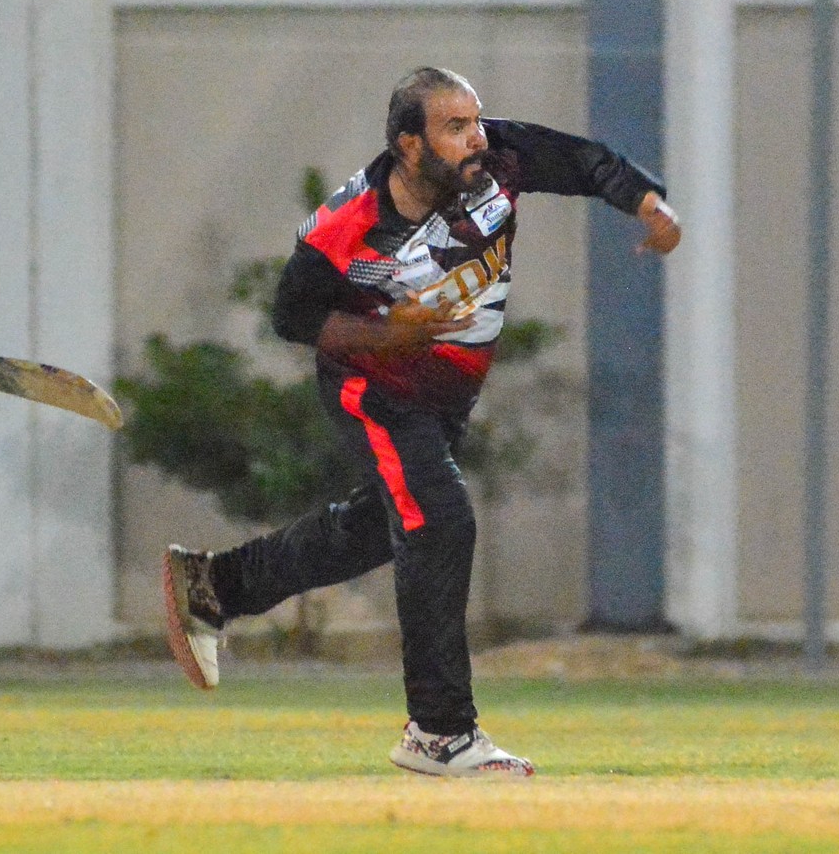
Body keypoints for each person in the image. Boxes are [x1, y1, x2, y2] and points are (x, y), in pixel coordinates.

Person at [163, 66, 681, 778]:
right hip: (375, 391)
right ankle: (440, 732)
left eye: (476, 120)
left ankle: (216, 586)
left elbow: (585, 161)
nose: (477, 138)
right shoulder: (349, 224)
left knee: (380, 528)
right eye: (455, 127)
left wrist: (649, 204)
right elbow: (293, 316)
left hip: (443, 400)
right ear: (410, 144)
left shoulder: (499, 161)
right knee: (440, 521)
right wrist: (388, 336)